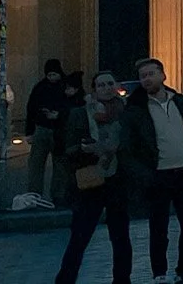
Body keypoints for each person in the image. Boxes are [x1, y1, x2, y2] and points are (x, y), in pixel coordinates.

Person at [121, 58, 183, 284]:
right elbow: (128, 148)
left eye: (151, 74)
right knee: (159, 230)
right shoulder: (135, 110)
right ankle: (159, 273)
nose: (147, 79)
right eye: (143, 76)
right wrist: (145, 176)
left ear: (163, 75)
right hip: (157, 176)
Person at [55, 72, 133, 284]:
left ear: (116, 86)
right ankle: (65, 280)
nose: (106, 88)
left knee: (121, 238)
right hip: (90, 182)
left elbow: (133, 145)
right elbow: (66, 149)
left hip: (117, 181)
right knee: (79, 237)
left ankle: (122, 280)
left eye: (110, 83)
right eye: (101, 85)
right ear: (94, 89)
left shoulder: (126, 112)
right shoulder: (80, 114)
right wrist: (85, 149)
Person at [25, 59, 73, 202]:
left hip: (59, 130)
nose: (51, 77)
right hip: (42, 129)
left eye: (54, 74)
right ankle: (34, 194)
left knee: (60, 165)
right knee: (36, 164)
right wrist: (29, 131)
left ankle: (58, 195)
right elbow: (31, 109)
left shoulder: (66, 86)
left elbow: (73, 106)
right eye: (49, 75)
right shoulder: (40, 87)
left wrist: (59, 115)